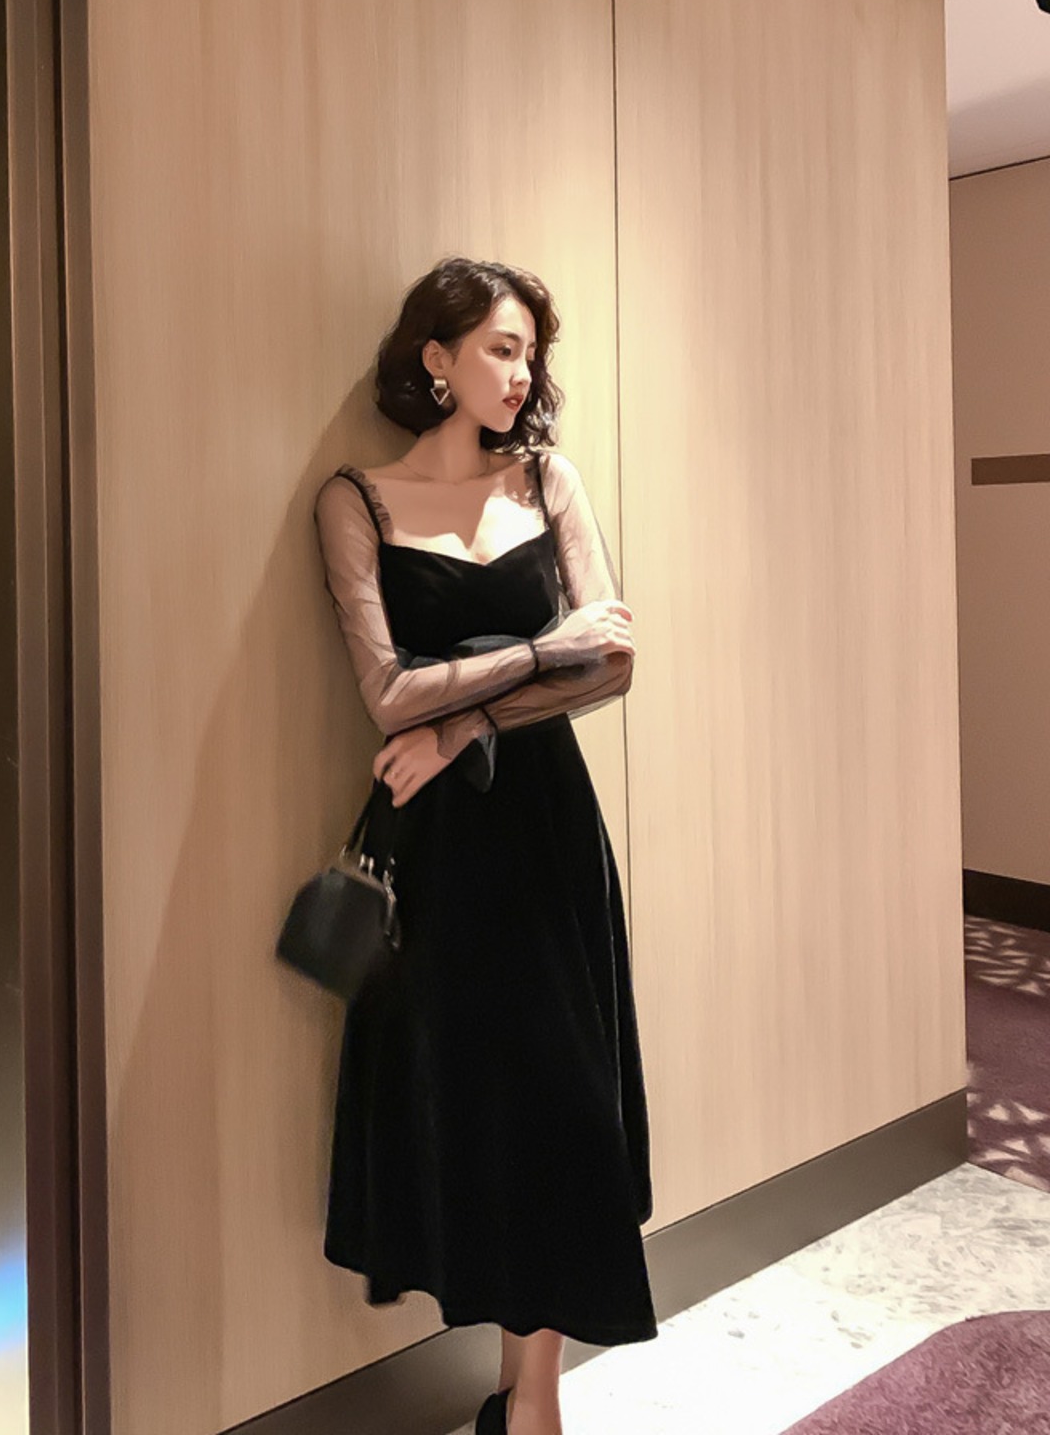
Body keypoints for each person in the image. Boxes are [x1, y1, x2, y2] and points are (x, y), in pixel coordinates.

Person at [313, 256, 657, 1435]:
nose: (521, 373)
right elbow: (384, 692)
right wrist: (541, 648)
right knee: (468, 1109)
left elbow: (613, 663)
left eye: (529, 353)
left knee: (566, 1104)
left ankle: (532, 1399)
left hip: (545, 825)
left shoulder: (547, 478)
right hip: (436, 850)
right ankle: (514, 1391)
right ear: (436, 357)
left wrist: (466, 720)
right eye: (501, 348)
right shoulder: (355, 500)